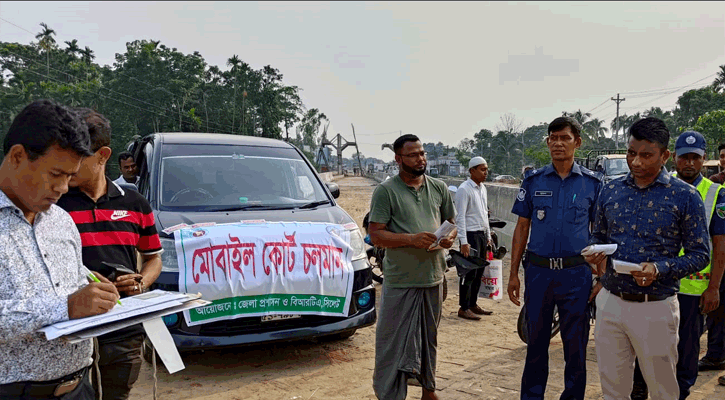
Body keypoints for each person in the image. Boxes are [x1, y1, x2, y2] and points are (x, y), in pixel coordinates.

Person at [0, 99, 120, 399]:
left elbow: (70, 281)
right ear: (17, 156)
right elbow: (64, 304)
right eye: (56, 175)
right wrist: (65, 307)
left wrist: (94, 287)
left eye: (70, 176)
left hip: (78, 388)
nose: (64, 188)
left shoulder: (61, 221)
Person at [584, 117, 710, 400]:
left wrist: (660, 268)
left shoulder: (685, 196)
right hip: (611, 303)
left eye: (646, 155)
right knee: (612, 389)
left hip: (656, 308)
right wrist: (594, 255)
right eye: (631, 153)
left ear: (665, 155)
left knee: (663, 390)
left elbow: (700, 255)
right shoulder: (611, 190)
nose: (636, 162)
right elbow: (599, 237)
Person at [57, 108, 163, 400]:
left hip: (123, 328)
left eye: (79, 157)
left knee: (117, 395)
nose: (69, 166)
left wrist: (141, 281)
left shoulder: (135, 203)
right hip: (71, 330)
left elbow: (153, 257)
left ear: (103, 155)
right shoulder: (52, 205)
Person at [507, 116, 602, 400]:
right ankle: (532, 396)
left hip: (577, 275)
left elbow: (600, 232)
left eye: (565, 138)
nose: (558, 143)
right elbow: (522, 228)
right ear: (548, 142)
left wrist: (600, 276)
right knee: (535, 342)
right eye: (553, 138)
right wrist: (513, 273)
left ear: (578, 142)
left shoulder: (593, 184)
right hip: (539, 272)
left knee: (576, 345)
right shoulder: (533, 180)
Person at [630, 130, 725, 399]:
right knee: (646, 344)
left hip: (694, 289)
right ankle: (640, 390)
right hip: (659, 285)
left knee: (686, 349)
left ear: (704, 159)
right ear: (674, 159)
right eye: (685, 157)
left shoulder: (717, 194)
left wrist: (714, 287)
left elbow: (720, 245)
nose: (690, 163)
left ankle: (681, 392)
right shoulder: (659, 188)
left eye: (696, 158)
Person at [369, 134, 456, 400]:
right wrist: (411, 239)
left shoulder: (439, 188)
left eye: (422, 153)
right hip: (401, 280)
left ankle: (428, 390)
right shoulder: (386, 191)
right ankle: (389, 394)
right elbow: (376, 235)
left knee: (429, 339)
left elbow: (451, 222)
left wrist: (448, 239)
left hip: (433, 278)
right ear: (398, 159)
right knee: (391, 342)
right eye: (413, 155)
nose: (421, 159)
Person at [454, 156, 493, 320]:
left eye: (486, 169)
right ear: (472, 171)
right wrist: (464, 241)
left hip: (482, 234)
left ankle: (473, 303)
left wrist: (489, 236)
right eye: (482, 169)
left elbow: (484, 213)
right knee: (468, 273)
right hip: (470, 235)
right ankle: (463, 307)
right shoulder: (464, 189)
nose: (486, 172)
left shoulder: (482, 188)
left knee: (479, 272)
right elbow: (460, 217)